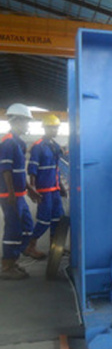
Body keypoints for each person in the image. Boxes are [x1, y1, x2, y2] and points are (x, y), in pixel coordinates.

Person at [0, 103, 40, 280]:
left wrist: (29, 189)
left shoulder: (18, 143)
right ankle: (7, 266)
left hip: (19, 194)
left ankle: (13, 259)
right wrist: (10, 194)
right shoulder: (8, 142)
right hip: (11, 195)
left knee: (27, 226)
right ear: (17, 121)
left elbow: (19, 171)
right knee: (13, 228)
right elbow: (6, 170)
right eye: (26, 122)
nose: (28, 126)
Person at [25, 114, 66, 259]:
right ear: (45, 128)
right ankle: (30, 246)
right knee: (44, 219)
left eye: (57, 128)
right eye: (52, 128)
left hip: (54, 189)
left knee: (58, 218)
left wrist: (60, 185)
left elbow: (56, 167)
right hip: (44, 190)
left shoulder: (55, 146)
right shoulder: (38, 146)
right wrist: (33, 188)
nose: (55, 130)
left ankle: (54, 248)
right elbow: (32, 169)